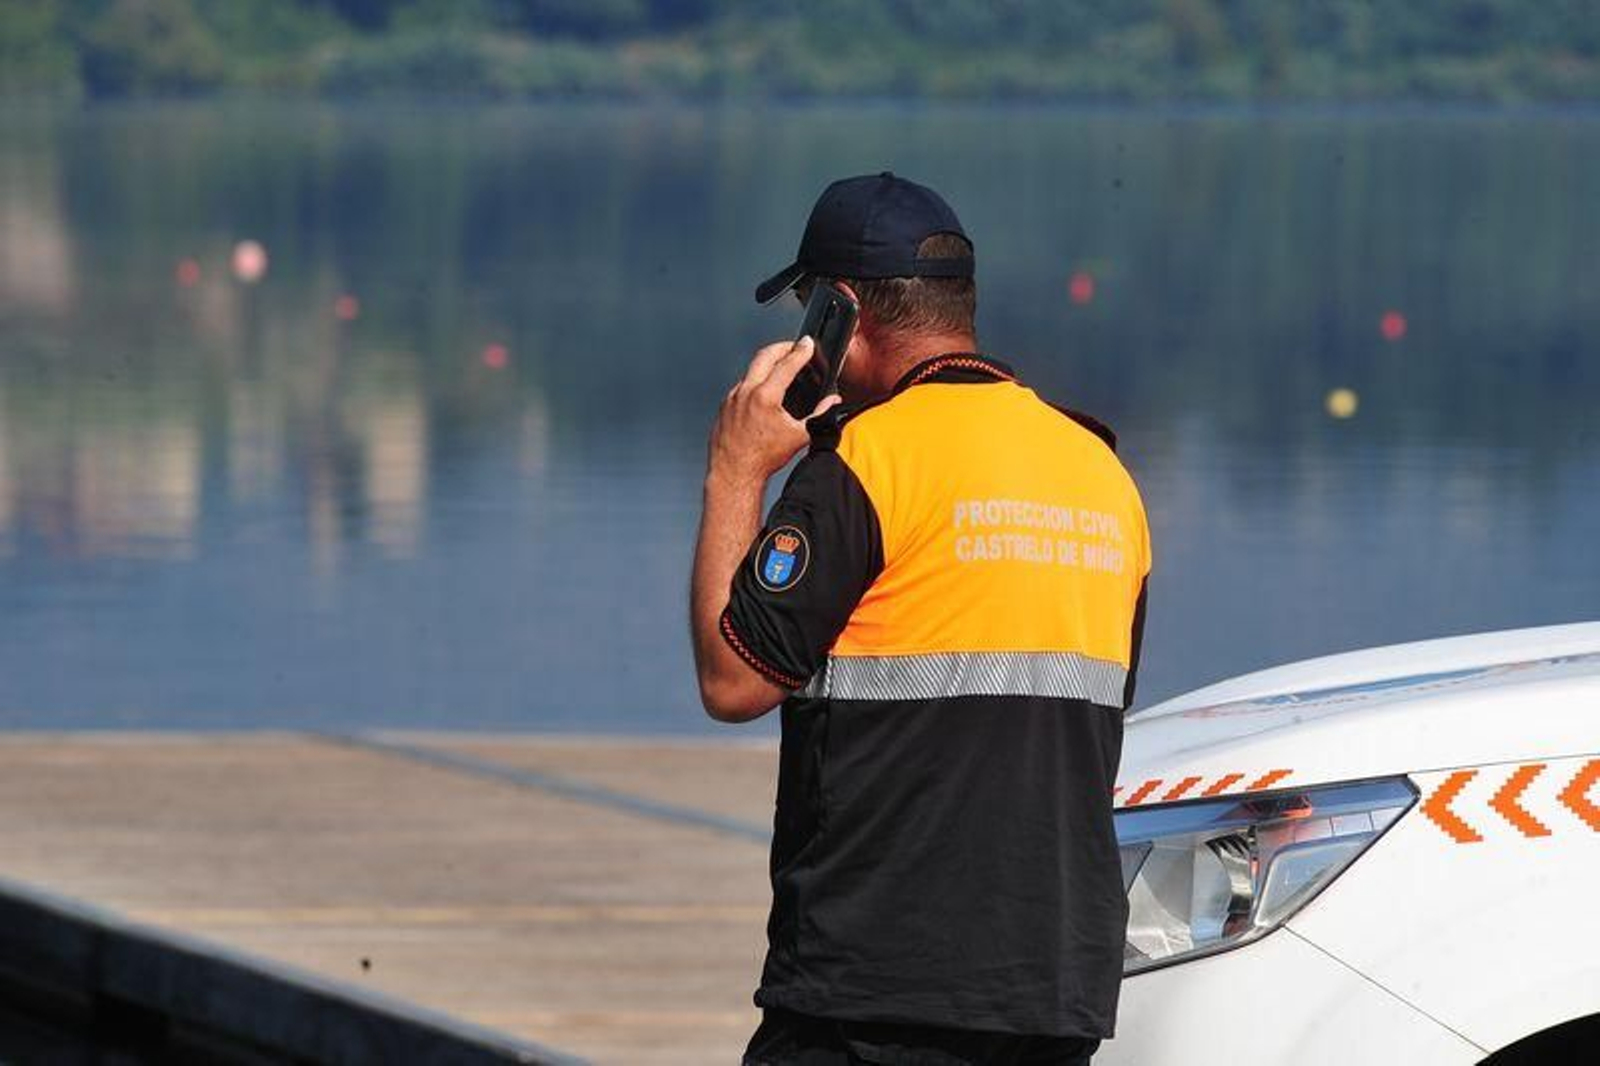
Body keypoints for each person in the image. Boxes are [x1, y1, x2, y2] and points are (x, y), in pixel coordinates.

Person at [690, 172, 1151, 1065]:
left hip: (874, 994)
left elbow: (732, 677)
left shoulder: (865, 463)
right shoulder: (1103, 476)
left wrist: (736, 469)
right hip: (1051, 997)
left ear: (840, 312)